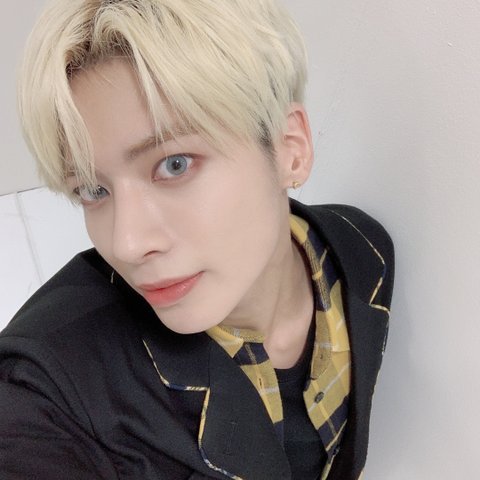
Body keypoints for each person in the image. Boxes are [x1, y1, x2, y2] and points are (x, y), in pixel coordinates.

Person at [0, 1, 394, 479]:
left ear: (290, 150)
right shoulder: (48, 384)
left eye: (175, 164)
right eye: (93, 190)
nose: (127, 244)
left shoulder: (365, 252)